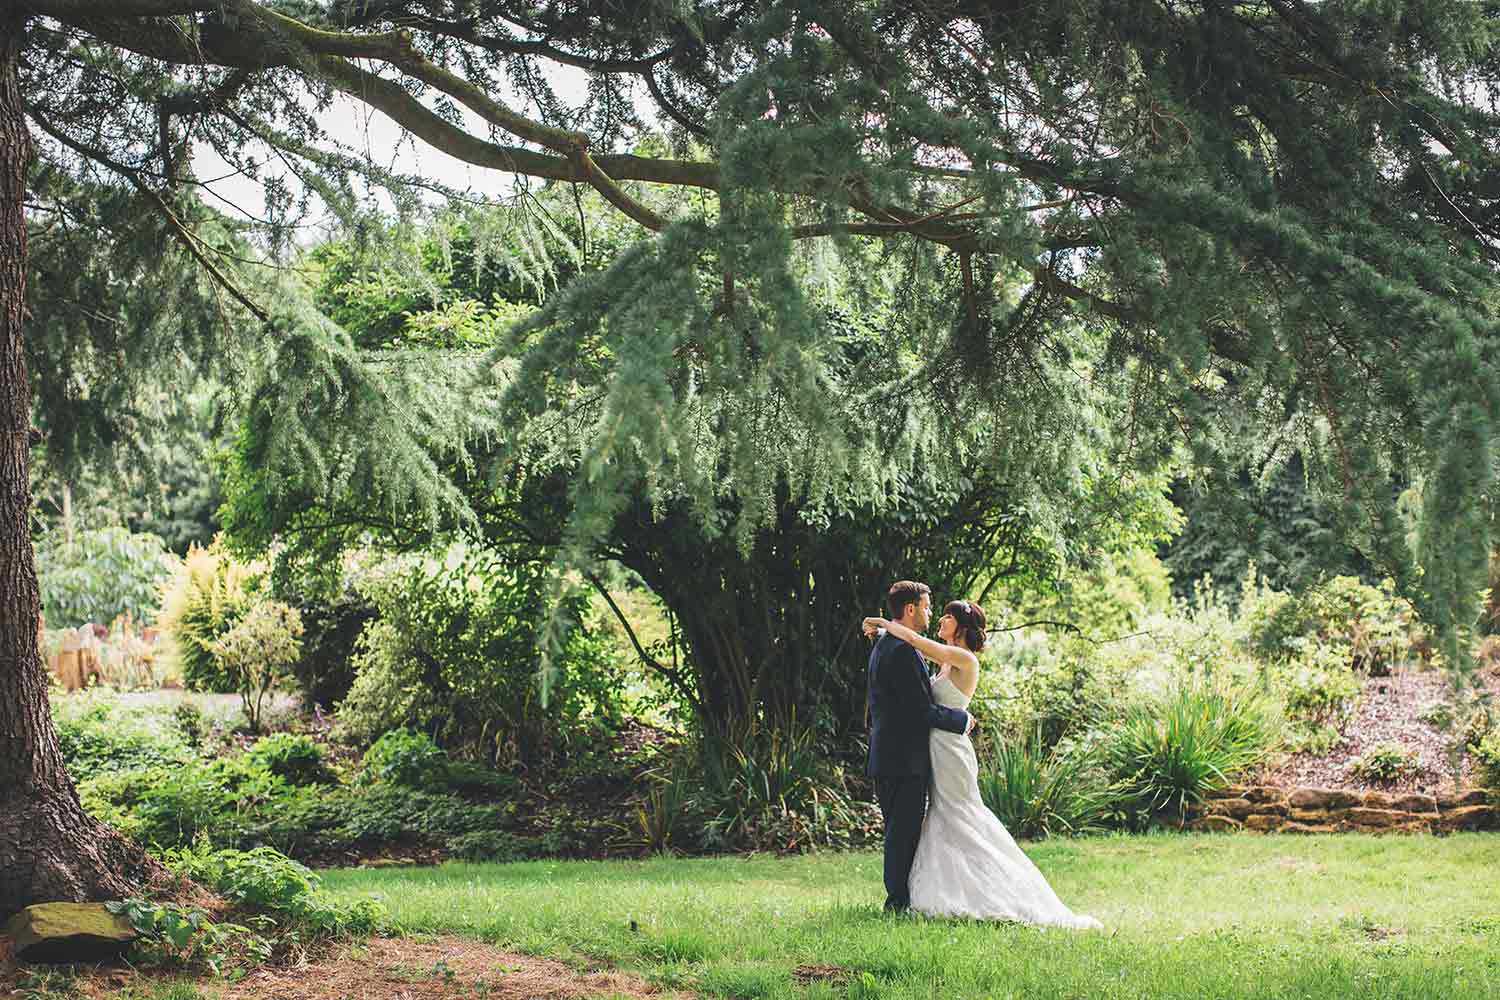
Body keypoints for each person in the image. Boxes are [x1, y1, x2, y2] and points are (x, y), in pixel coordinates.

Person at [864, 598, 1102, 929]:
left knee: (961, 815)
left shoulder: (962, 658)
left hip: (951, 752)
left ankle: (993, 890)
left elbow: (916, 642)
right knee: (942, 817)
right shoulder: (944, 663)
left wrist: (884, 624)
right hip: (935, 748)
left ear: (961, 625)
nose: (939, 618)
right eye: (937, 611)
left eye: (947, 616)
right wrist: (882, 635)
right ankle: (938, 890)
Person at [866, 581, 974, 913]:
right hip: (904, 758)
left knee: (902, 830)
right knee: (902, 833)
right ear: (911, 609)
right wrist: (962, 721)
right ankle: (897, 903)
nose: (930, 613)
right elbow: (919, 711)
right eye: (927, 607)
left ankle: (906, 897)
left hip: (894, 754)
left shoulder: (889, 644)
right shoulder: (900, 649)